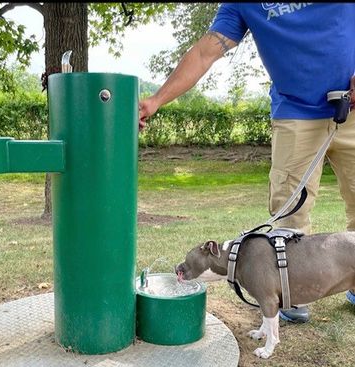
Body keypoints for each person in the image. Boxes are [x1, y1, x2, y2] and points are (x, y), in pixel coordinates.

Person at [139, 2, 355, 324]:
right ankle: (288, 292)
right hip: (295, 114)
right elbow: (204, 53)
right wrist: (155, 100)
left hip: (353, 107)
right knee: (289, 214)